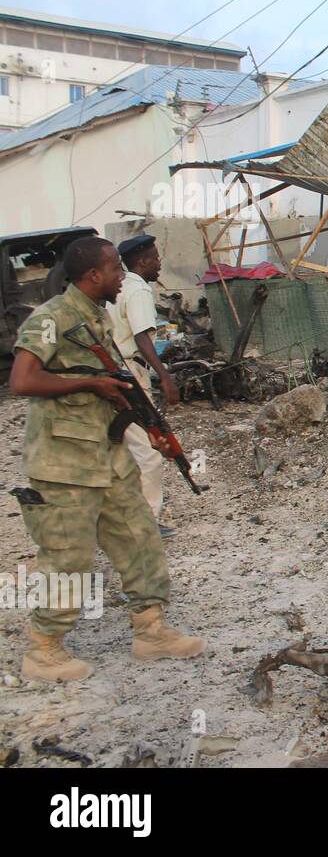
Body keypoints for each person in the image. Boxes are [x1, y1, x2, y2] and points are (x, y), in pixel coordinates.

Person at [9, 236, 203, 683]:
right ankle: (44, 649)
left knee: (140, 539)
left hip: (107, 457)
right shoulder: (53, 317)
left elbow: (111, 382)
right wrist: (89, 386)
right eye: (117, 269)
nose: (123, 276)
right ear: (93, 275)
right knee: (68, 557)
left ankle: (151, 630)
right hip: (63, 463)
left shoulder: (96, 318)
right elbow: (23, 380)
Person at [108, 234, 179, 530]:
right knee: (149, 449)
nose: (160, 265)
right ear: (143, 261)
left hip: (111, 370)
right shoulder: (137, 290)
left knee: (119, 446)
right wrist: (164, 376)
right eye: (156, 259)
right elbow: (141, 336)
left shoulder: (117, 286)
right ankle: (146, 524)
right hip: (130, 372)